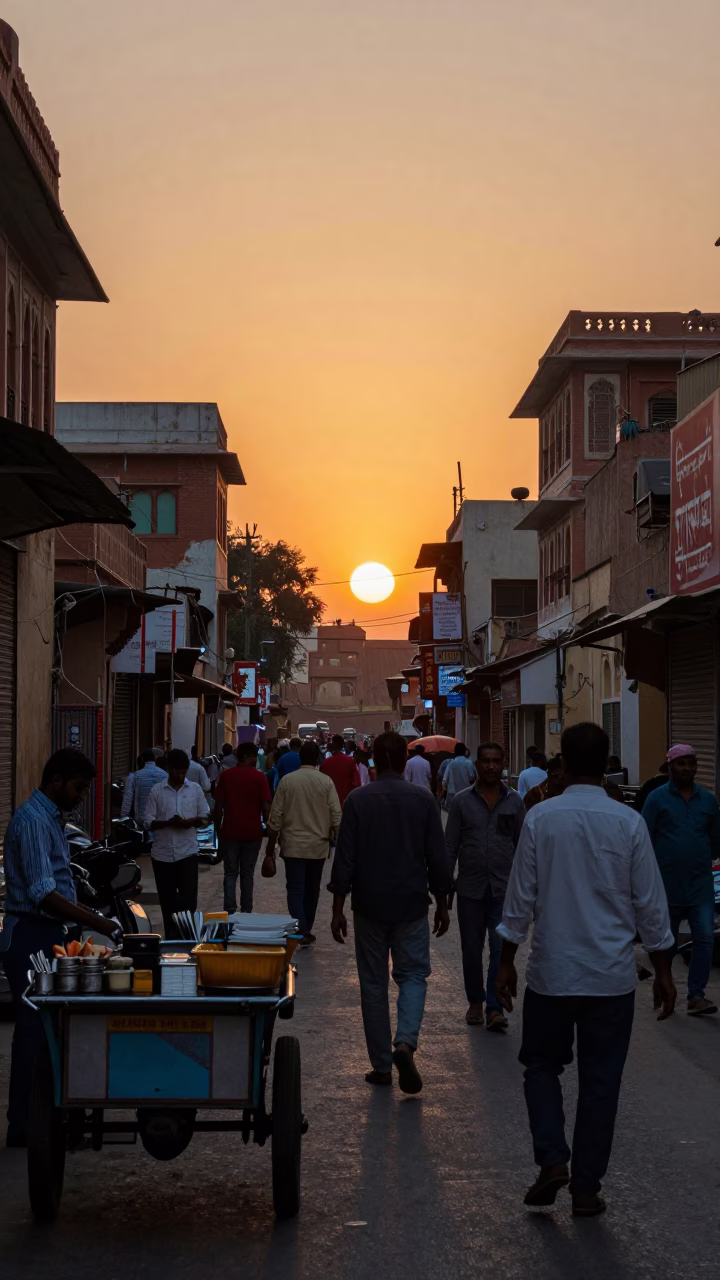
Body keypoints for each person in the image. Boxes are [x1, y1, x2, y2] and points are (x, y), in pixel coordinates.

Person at [495, 722, 676, 1218]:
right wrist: (663, 969)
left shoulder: (541, 819)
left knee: (540, 1067)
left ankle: (553, 1157)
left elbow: (519, 901)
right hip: (611, 978)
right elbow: (651, 906)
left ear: (564, 765)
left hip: (553, 973)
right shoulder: (628, 822)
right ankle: (587, 1187)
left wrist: (506, 962)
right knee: (602, 1082)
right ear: (607, 765)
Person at [0, 750, 123, 1147]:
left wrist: (88, 916)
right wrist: (99, 923)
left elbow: (61, 885)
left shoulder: (51, 818)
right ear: (56, 780)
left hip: (48, 933)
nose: (81, 796)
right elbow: (43, 893)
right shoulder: (33, 821)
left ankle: (49, 1117)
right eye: (78, 788)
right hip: (29, 933)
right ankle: (25, 1125)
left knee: (51, 1028)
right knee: (36, 1030)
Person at [329, 732, 451, 1094]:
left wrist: (338, 908)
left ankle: (382, 1066)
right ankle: (405, 1043)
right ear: (403, 762)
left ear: (374, 763)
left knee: (373, 984)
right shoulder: (423, 799)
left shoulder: (358, 800)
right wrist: (442, 901)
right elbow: (437, 855)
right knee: (413, 975)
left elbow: (344, 858)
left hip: (368, 904)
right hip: (411, 903)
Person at [446, 741, 525, 1031]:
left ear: (503, 763)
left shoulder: (515, 802)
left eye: (496, 761)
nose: (491, 766)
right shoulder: (462, 802)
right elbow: (450, 847)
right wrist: (444, 892)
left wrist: (527, 892)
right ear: (476, 764)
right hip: (469, 889)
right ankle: (475, 1002)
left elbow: (523, 849)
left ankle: (494, 1007)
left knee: (499, 947)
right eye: (486, 761)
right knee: (471, 949)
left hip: (504, 891)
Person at [642, 744, 720, 1017]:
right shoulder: (656, 799)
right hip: (666, 886)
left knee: (706, 938)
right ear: (670, 766)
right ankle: (665, 988)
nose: (687, 769)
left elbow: (715, 843)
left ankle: (696, 995)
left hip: (700, 885)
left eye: (691, 763)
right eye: (681, 763)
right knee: (667, 942)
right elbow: (644, 841)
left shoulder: (708, 801)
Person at [264, 740, 342, 943]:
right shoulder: (326, 782)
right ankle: (305, 926)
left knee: (296, 888)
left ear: (300, 758)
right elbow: (336, 816)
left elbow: (275, 818)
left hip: (293, 846)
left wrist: (269, 849)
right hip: (318, 846)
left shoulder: (288, 781)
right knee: (312, 889)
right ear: (318, 758)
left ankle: (302, 929)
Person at [144, 748, 211, 937]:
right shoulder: (157, 791)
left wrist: (189, 822)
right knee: (168, 903)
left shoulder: (195, 790)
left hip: (187, 853)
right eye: (177, 772)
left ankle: (187, 939)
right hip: (162, 855)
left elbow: (206, 816)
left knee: (188, 902)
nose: (180, 776)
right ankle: (171, 942)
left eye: (183, 772)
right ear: (168, 769)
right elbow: (148, 822)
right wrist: (168, 823)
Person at [214, 741, 272, 913]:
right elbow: (267, 807)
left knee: (230, 872)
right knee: (247, 873)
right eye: (254, 756)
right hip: (252, 833)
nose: (255, 759)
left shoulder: (226, 776)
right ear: (248, 757)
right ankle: (247, 909)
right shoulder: (260, 777)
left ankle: (230, 908)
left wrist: (218, 833)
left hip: (230, 832)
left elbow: (218, 808)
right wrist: (269, 829)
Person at [120, 748, 168, 832]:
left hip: (141, 826)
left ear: (142, 760)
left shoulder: (134, 776)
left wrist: (124, 820)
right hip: (162, 824)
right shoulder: (165, 775)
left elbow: (127, 801)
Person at [320, 734, 361, 806]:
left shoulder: (327, 762)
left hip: (331, 802)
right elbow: (357, 782)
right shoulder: (350, 761)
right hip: (346, 801)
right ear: (343, 746)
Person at [441, 743, 477, 811]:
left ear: (455, 752)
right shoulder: (469, 763)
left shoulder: (451, 764)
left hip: (453, 797)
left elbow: (444, 781)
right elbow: (473, 778)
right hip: (467, 797)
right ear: (464, 751)